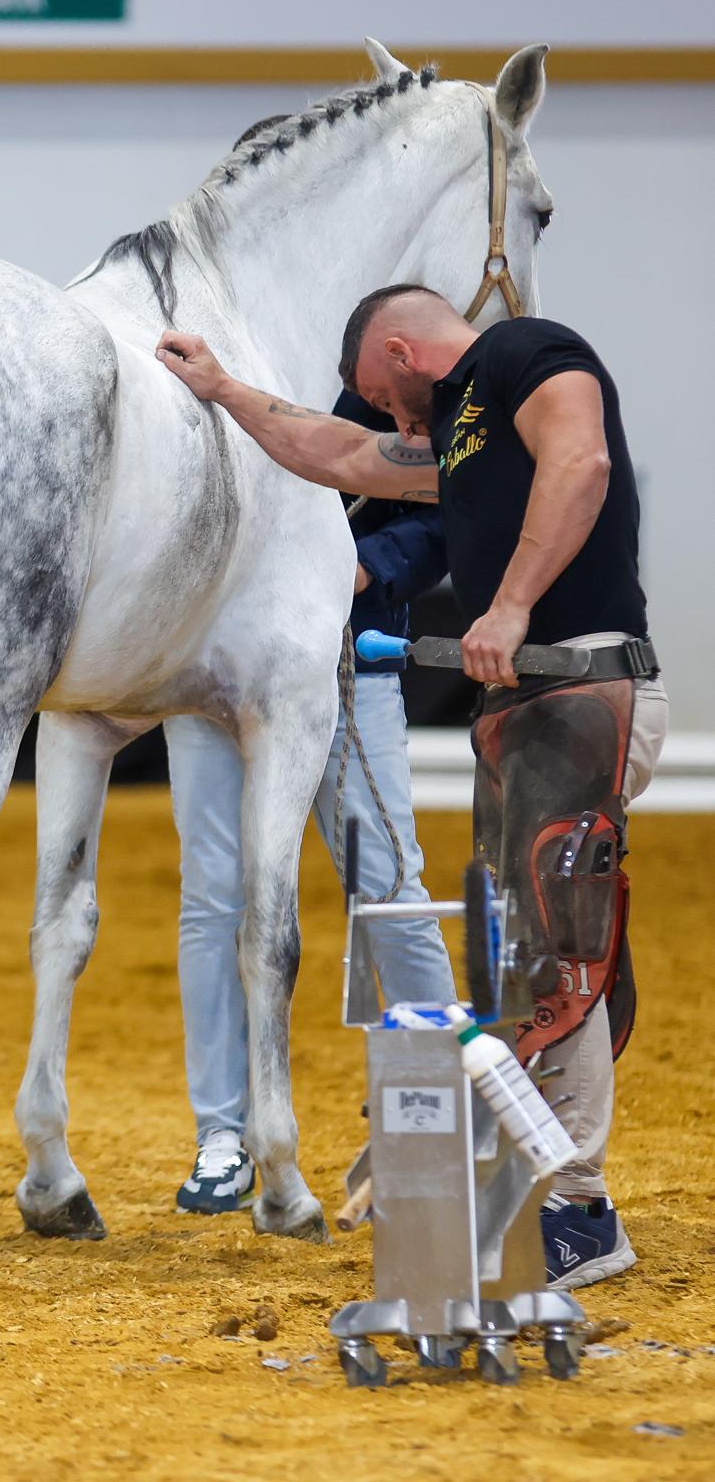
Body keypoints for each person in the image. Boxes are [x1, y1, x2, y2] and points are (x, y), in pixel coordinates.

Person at [155, 285, 667, 1290]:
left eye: (380, 395)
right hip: (530, 706)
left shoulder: (527, 351)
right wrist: (221, 389)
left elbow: (584, 461)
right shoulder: (471, 440)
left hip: (572, 686)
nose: (388, 421)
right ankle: (545, 1182)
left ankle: (578, 1212)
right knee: (535, 944)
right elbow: (342, 458)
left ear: (401, 349)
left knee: (551, 953)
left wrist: (512, 606)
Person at [169, 385, 455, 1215]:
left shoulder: (380, 393)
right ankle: (222, 1134)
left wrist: (359, 568)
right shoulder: (212, 386)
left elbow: (441, 513)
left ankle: (427, 1124)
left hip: (344, 659)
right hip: (208, 663)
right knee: (212, 894)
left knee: (390, 890)